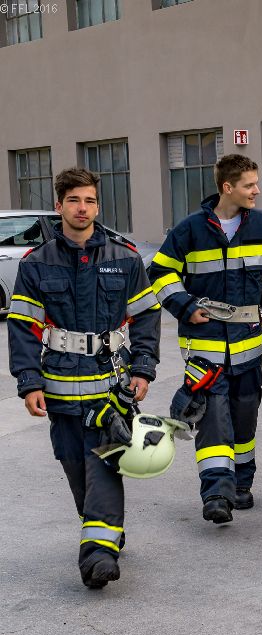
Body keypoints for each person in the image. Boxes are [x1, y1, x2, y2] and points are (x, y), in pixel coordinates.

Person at [7, 167, 161, 588]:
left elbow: (147, 315)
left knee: (105, 465)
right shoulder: (36, 264)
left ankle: (98, 556)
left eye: (89, 200)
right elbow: (23, 326)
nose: (82, 208)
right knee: (76, 469)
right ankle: (103, 531)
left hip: (111, 388)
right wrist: (29, 381)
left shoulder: (124, 258)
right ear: (59, 206)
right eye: (74, 200)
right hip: (59, 389)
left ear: (97, 205)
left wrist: (143, 367)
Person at [148, 154, 262, 523]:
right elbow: (160, 272)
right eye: (249, 185)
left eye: (256, 183)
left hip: (248, 346)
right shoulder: (189, 230)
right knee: (213, 418)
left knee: (244, 420)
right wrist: (184, 306)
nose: (256, 190)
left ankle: (241, 484)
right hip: (205, 350)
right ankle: (216, 494)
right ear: (228, 187)